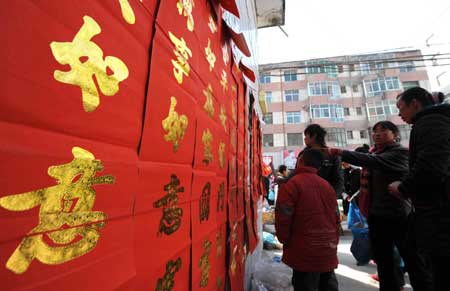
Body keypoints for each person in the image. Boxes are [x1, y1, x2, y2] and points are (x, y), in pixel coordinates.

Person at [328, 121, 410, 291]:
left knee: (410, 256)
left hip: (398, 213)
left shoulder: (400, 153)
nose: (377, 134)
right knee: (383, 257)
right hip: (376, 213)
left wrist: (339, 152)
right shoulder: (374, 153)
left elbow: (373, 161)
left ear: (394, 134)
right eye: (375, 131)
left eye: (383, 131)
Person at [389, 86, 450, 291]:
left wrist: (403, 187)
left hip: (440, 213)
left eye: (401, 107)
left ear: (415, 103)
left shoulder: (431, 122)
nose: (399, 114)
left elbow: (431, 166)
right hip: (435, 211)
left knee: (438, 270)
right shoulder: (433, 121)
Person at [275, 148, 340, 291]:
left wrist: (284, 239)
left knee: (305, 284)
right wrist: (333, 241)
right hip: (327, 247)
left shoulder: (291, 185)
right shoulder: (327, 185)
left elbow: (283, 217)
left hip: (303, 249)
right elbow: (336, 218)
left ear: (300, 161)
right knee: (327, 282)